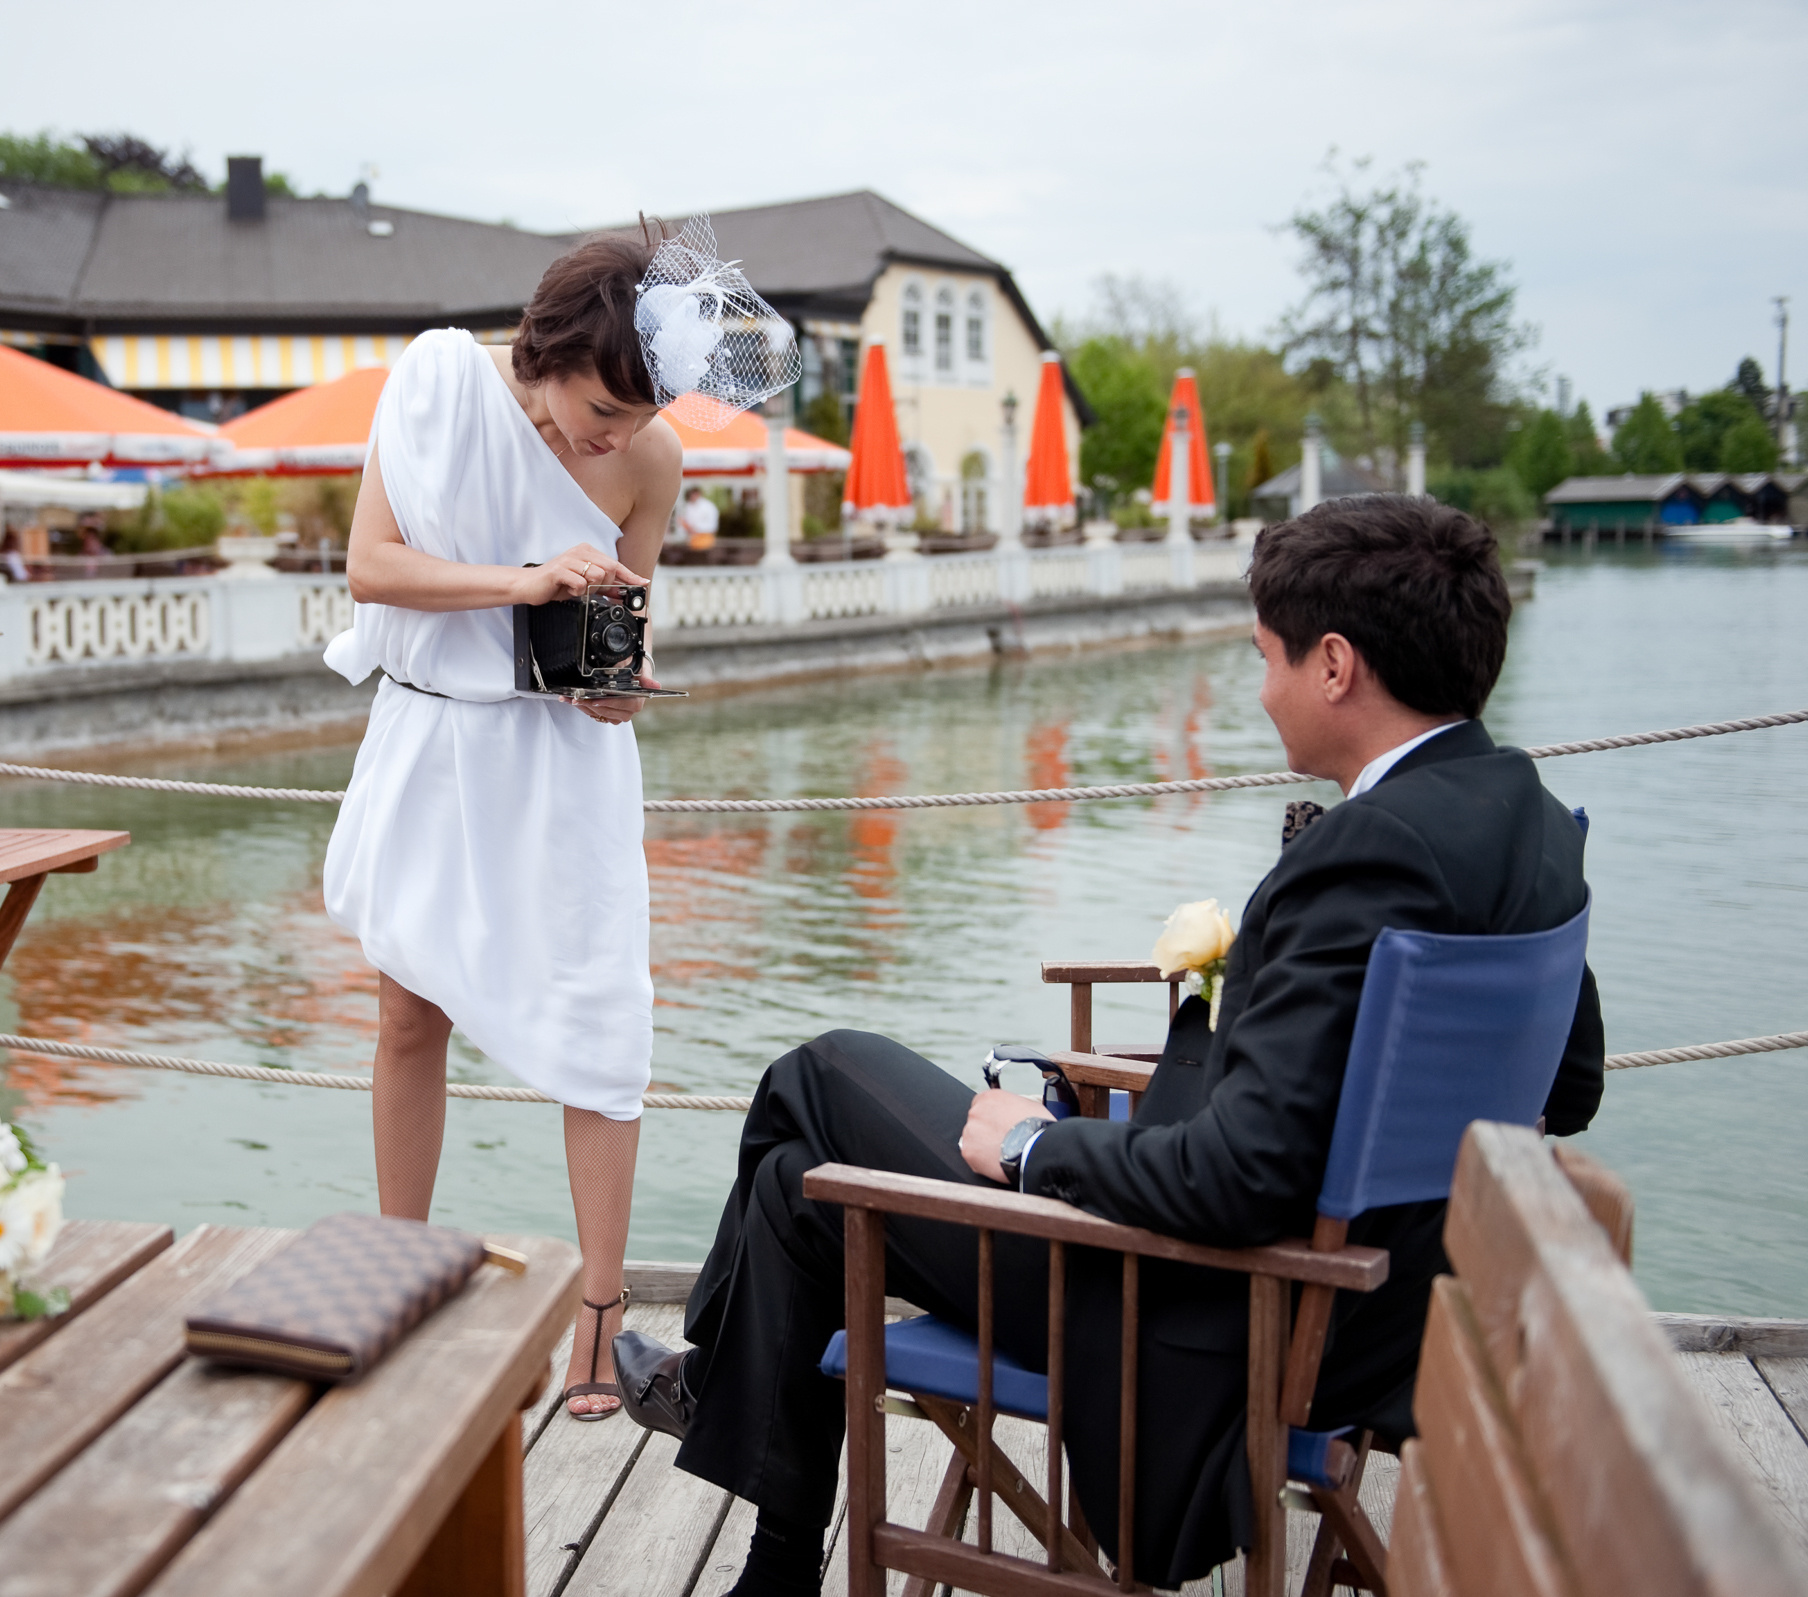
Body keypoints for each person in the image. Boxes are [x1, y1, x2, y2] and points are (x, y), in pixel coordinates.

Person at [613, 494, 1605, 1593]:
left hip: (1192, 1299)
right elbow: (1570, 1083)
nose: (1262, 687)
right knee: (801, 1187)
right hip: (1384, 1314)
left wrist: (1039, 1149)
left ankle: (725, 1394)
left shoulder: (1362, 858)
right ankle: (770, 1540)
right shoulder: (1532, 821)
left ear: (1335, 665)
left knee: (821, 1075)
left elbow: (1242, 1178)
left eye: (1267, 658)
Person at [323, 219, 799, 1422]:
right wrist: (526, 584)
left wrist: (615, 680)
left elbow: (613, 678)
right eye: (602, 410)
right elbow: (372, 568)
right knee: (405, 1010)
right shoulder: (435, 386)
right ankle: (397, 1264)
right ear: (545, 351)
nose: (614, 438)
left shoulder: (652, 467)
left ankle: (600, 1319)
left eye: (638, 419)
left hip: (565, 770)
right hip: (435, 740)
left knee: (601, 1020)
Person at [680, 485, 720, 553]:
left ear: (698, 494)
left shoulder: (708, 506)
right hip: (692, 540)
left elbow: (712, 525)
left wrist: (694, 529)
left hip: (705, 538)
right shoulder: (689, 506)